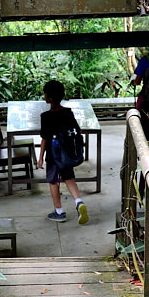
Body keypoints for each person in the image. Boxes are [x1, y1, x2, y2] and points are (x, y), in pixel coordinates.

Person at [37, 80, 89, 224]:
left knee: (53, 181)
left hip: (53, 157)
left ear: (50, 98)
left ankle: (59, 212)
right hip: (66, 154)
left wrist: (40, 158)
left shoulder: (45, 116)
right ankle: (79, 202)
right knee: (68, 178)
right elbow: (77, 131)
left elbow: (44, 139)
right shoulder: (67, 112)